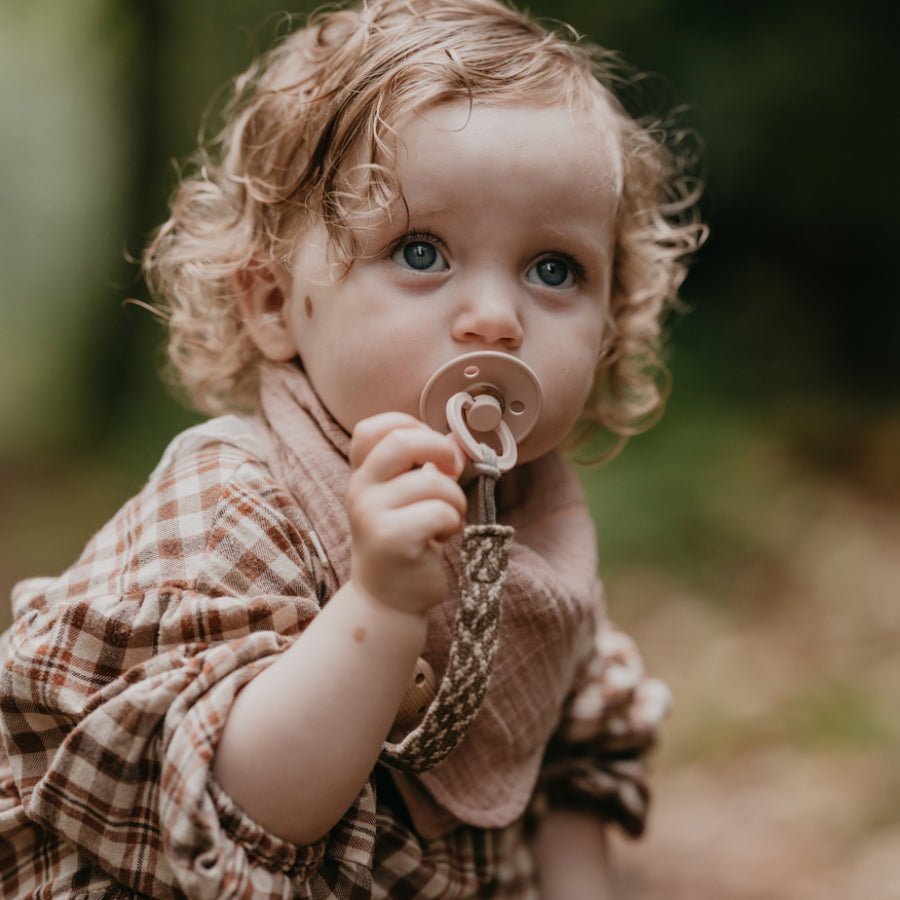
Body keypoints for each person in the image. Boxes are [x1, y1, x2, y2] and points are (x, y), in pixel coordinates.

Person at [0, 0, 705, 896]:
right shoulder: (232, 502)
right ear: (272, 303)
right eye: (420, 251)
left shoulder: (533, 524)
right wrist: (378, 602)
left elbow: (568, 774)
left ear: (612, 322)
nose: (496, 317)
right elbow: (239, 808)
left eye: (554, 268)